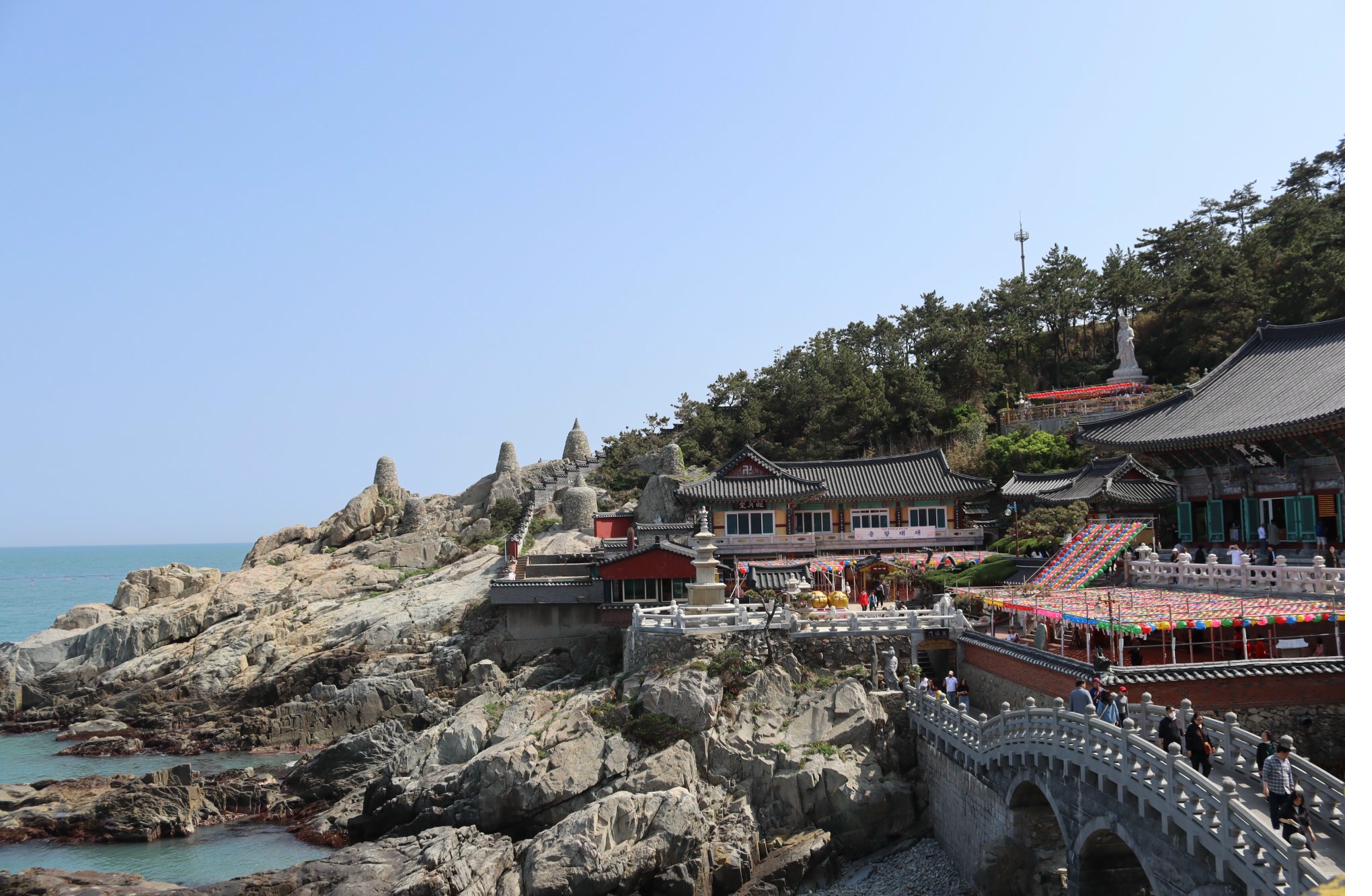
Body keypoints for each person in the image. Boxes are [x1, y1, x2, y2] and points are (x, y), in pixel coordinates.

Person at [1262, 742, 1296, 831]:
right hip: (1274, 791)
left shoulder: (1287, 761)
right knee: (1274, 812)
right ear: (1281, 752)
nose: (1288, 755)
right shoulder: (1269, 760)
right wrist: (1265, 788)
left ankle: (1289, 829)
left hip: (1286, 791)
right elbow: (1265, 776)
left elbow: (1289, 775)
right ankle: (1276, 830)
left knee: (1289, 812)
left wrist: (1292, 788)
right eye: (1287, 753)